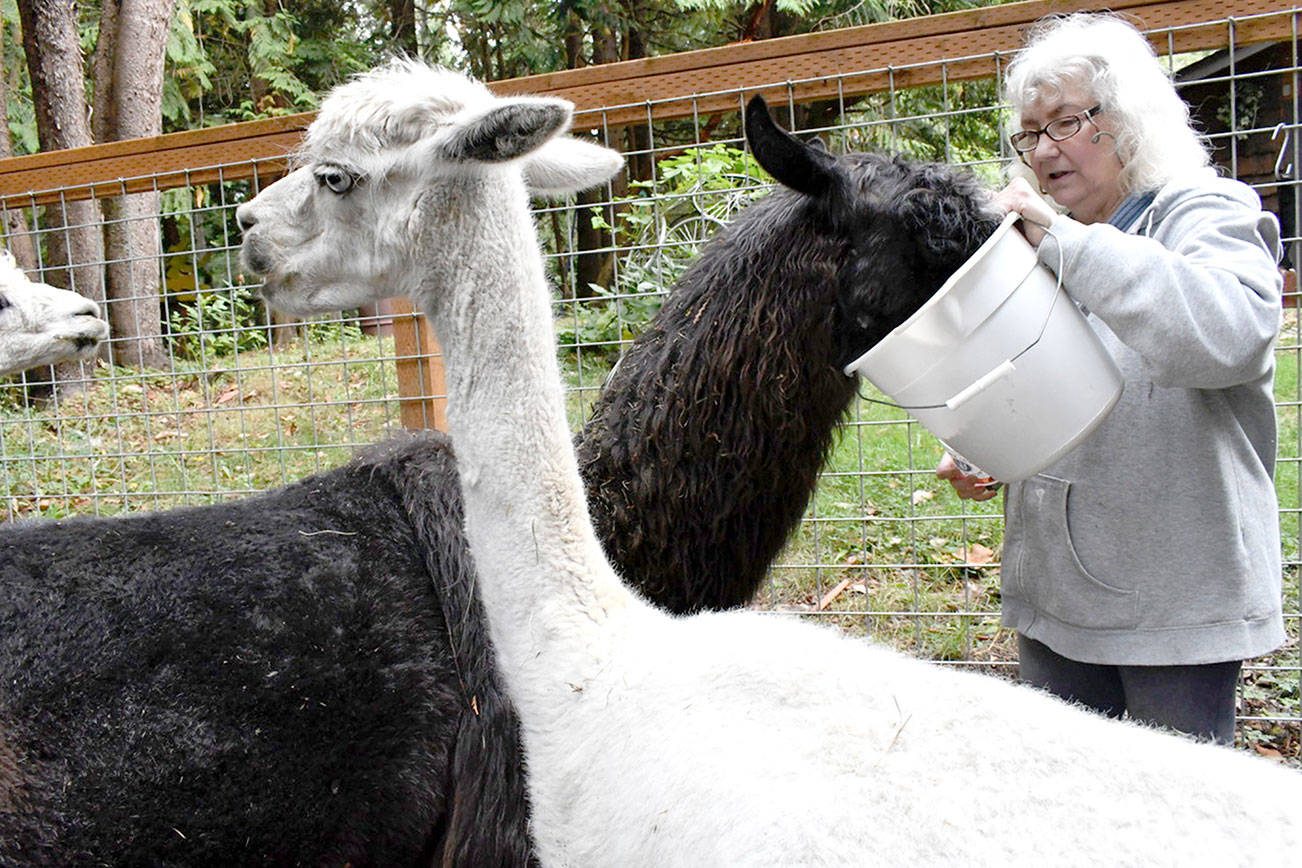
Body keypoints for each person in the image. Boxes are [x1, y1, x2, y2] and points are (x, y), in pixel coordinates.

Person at [938, 12, 1286, 744]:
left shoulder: (1205, 210)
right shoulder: (1041, 241)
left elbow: (1231, 336)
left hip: (1175, 608)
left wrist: (1065, 244)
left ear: (1128, 118)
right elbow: (1029, 379)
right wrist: (984, 445)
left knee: (1179, 835)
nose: (1041, 150)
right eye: (1029, 133)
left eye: (1064, 122)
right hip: (1056, 603)